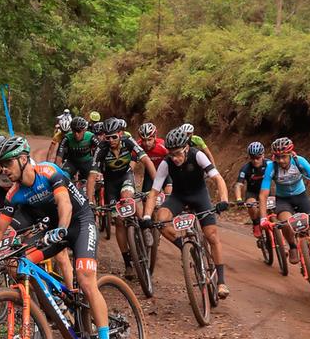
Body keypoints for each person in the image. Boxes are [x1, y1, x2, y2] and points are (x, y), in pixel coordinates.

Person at [0, 137, 116, 339]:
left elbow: (65, 204)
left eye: (8, 164)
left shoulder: (49, 172)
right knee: (18, 264)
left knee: (87, 280)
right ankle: (57, 303)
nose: (5, 170)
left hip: (79, 222)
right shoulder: (14, 194)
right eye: (2, 165)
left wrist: (61, 229)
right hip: (51, 229)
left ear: (23, 159)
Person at [0, 135, 75, 285]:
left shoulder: (26, 167)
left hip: (41, 204)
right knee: (7, 231)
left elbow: (54, 197)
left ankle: (70, 293)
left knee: (61, 254)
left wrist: (48, 223)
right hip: (18, 203)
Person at [139, 127, 232, 298]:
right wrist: (146, 216)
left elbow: (217, 178)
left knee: (211, 235)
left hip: (199, 195)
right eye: (171, 154)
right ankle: (186, 247)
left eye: (178, 153)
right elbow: (153, 192)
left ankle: (221, 282)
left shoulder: (197, 155)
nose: (175, 158)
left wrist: (224, 200)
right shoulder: (166, 163)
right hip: (179, 197)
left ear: (186, 148)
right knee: (161, 220)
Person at [257, 137, 310, 288]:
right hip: (283, 200)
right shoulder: (271, 167)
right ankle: (293, 246)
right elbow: (263, 194)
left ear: (291, 154)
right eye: (278, 157)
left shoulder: (300, 161)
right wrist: (262, 219)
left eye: (284, 157)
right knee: (286, 224)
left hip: (301, 197)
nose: (281, 161)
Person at [87, 118, 156, 278]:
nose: (111, 140)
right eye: (107, 137)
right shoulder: (101, 148)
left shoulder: (128, 140)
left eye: (114, 137)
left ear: (120, 134)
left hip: (126, 176)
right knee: (118, 221)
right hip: (110, 183)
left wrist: (156, 186)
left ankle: (144, 227)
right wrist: (90, 201)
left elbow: (146, 161)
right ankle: (127, 263)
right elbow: (91, 176)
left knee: (127, 198)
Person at [234, 142, 269, 235]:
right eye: (252, 158)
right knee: (251, 205)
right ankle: (256, 223)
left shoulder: (269, 164)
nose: (255, 161)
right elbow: (238, 185)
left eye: (258, 158)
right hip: (252, 192)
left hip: (267, 191)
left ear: (263, 155)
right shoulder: (245, 168)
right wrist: (239, 198)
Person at [56, 116, 95, 186]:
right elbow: (59, 155)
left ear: (84, 130)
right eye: (74, 131)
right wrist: (55, 172)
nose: (76, 134)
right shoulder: (67, 137)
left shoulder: (91, 136)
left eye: (79, 131)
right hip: (72, 163)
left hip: (87, 162)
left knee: (90, 180)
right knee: (63, 177)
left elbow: (101, 152)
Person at [136, 122, 171, 194]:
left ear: (155, 137)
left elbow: (172, 160)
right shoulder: (137, 146)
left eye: (149, 140)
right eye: (144, 140)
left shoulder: (162, 145)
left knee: (169, 194)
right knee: (146, 197)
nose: (146, 143)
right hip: (149, 172)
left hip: (164, 171)